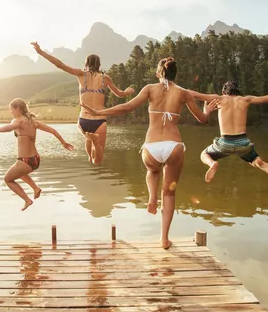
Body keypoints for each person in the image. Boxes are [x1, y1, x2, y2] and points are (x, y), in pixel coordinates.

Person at [82, 57, 210, 249]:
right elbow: (202, 119)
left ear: (159, 73)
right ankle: (164, 239)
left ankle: (151, 197)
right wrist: (207, 110)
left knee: (153, 171)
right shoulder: (183, 93)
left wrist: (100, 112)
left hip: (151, 147)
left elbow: (126, 107)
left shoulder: (150, 89)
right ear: (176, 74)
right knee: (169, 194)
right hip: (173, 146)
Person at [31, 41, 134, 165]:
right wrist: (128, 91)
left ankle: (91, 146)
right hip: (99, 121)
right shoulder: (105, 78)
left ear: (86, 63)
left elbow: (60, 65)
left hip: (83, 120)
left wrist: (41, 52)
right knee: (97, 161)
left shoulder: (81, 74)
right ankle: (95, 142)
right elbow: (120, 94)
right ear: (99, 65)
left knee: (90, 155)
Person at [190, 80, 268, 182]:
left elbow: (194, 94)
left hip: (225, 143)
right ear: (238, 91)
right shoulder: (246, 99)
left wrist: (174, 88)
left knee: (204, 154)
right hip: (243, 143)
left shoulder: (219, 99)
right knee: (252, 158)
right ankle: (257, 160)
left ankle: (212, 164)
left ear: (224, 91)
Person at [0, 98, 74, 211]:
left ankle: (27, 200)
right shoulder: (33, 122)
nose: (11, 112)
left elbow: (10, 127)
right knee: (18, 172)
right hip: (35, 160)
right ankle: (35, 188)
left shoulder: (18, 120)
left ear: (17, 108)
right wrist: (63, 142)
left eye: (11, 109)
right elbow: (53, 131)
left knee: (8, 179)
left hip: (25, 161)